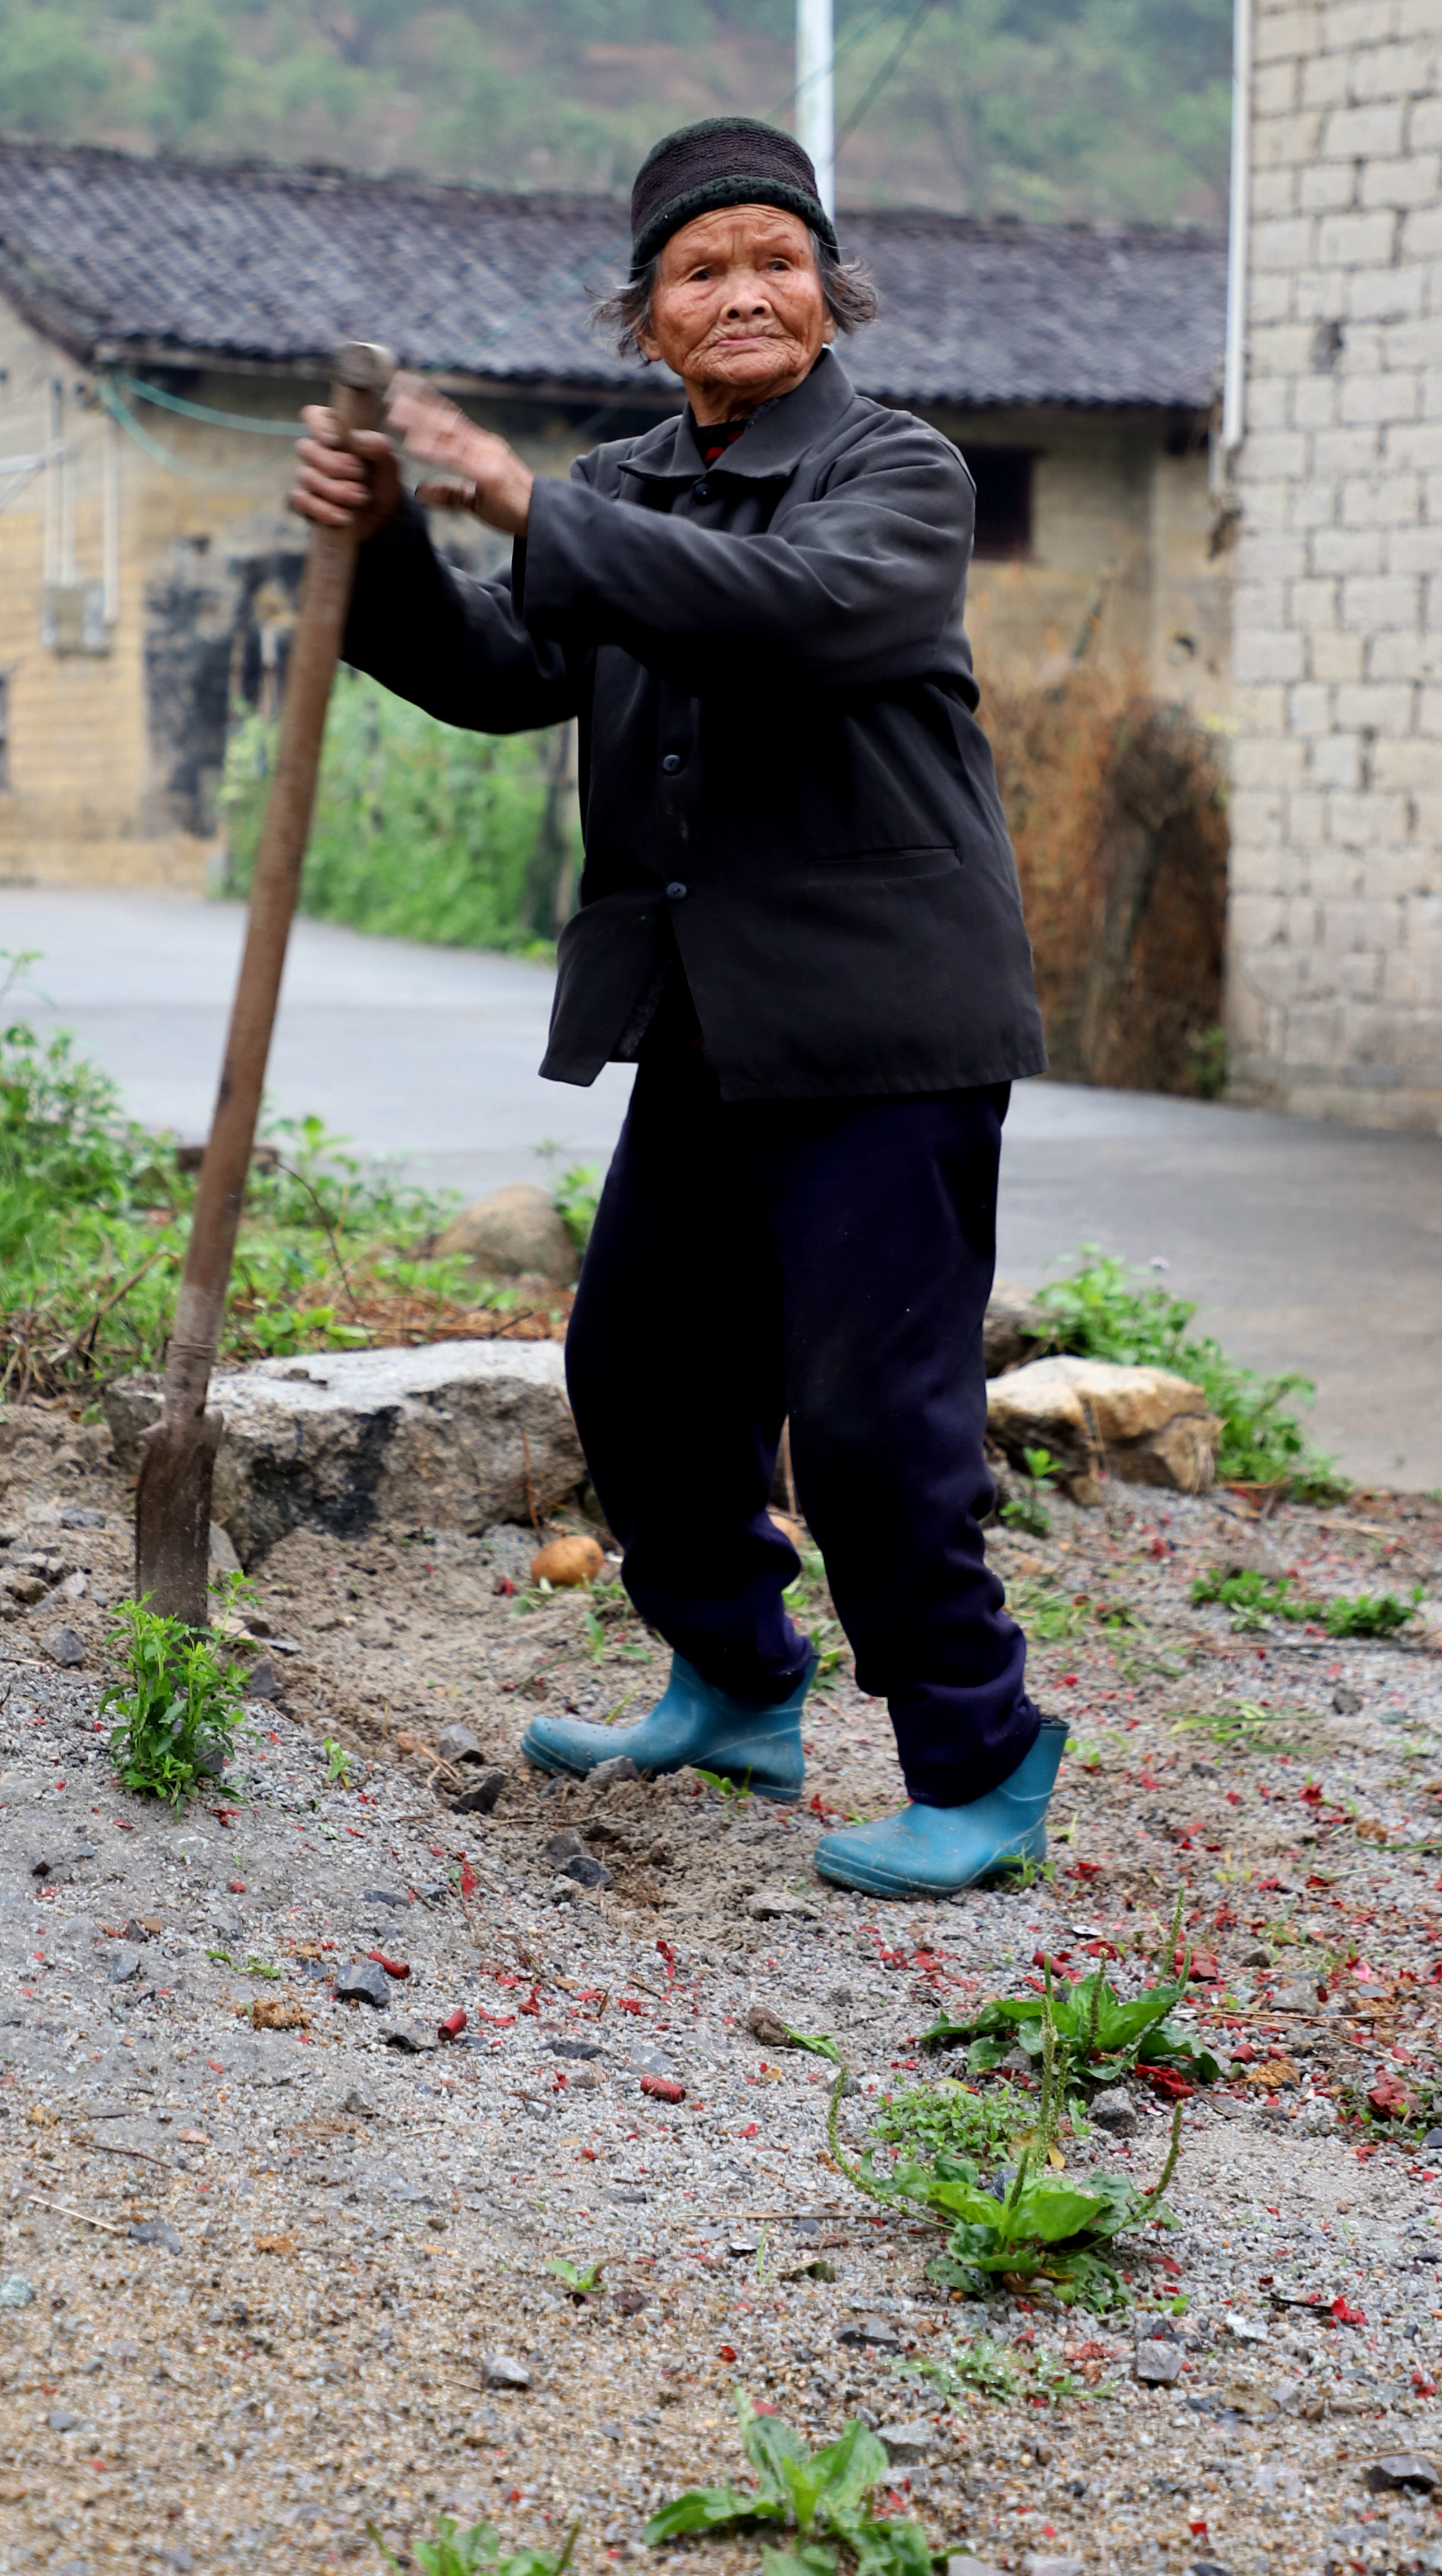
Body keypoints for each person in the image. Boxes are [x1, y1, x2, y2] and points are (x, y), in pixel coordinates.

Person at [289, 115, 1060, 1897]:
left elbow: (793, 615)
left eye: (777, 263)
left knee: (874, 1421)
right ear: (646, 318)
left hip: (887, 1030)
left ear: (830, 294)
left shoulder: (901, 473)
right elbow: (498, 669)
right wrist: (397, 541)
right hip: (712, 1026)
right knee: (638, 1374)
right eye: (703, 271)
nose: (746, 294)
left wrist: (527, 504)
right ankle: (733, 1679)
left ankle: (981, 1750)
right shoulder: (629, 487)